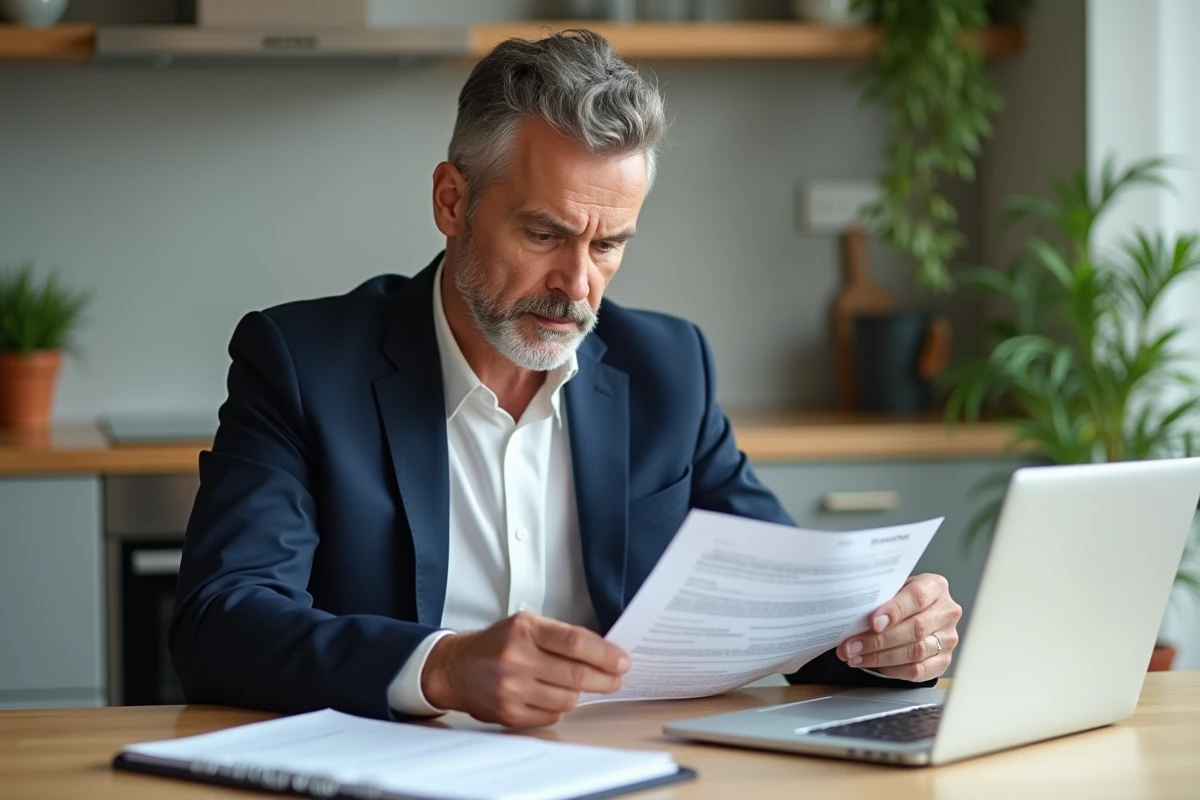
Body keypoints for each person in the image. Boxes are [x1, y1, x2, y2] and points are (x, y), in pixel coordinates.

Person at [171, 29, 962, 729]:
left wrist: (884, 635)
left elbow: (782, 610)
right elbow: (221, 621)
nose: (578, 285)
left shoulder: (668, 370)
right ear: (453, 201)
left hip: (623, 767)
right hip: (395, 768)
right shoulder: (302, 362)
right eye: (545, 233)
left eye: (609, 244)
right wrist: (441, 668)